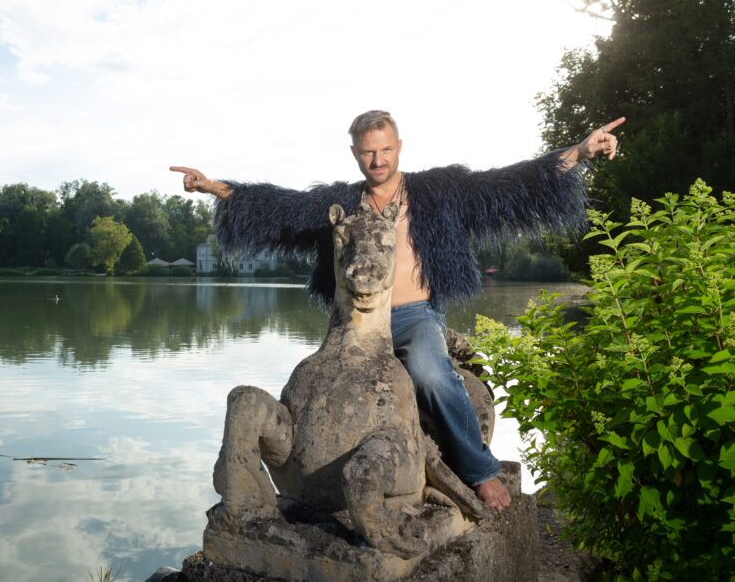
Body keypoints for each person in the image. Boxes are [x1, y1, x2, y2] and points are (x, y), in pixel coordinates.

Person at [171, 110, 623, 512]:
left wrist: (579, 152)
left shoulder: (437, 191)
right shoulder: (342, 201)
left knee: (429, 373)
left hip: (415, 316)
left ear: (399, 146)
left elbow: (510, 183)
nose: (378, 160)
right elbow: (279, 208)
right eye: (368, 153)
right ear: (354, 154)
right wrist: (213, 187)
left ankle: (480, 470)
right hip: (356, 322)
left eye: (385, 149)